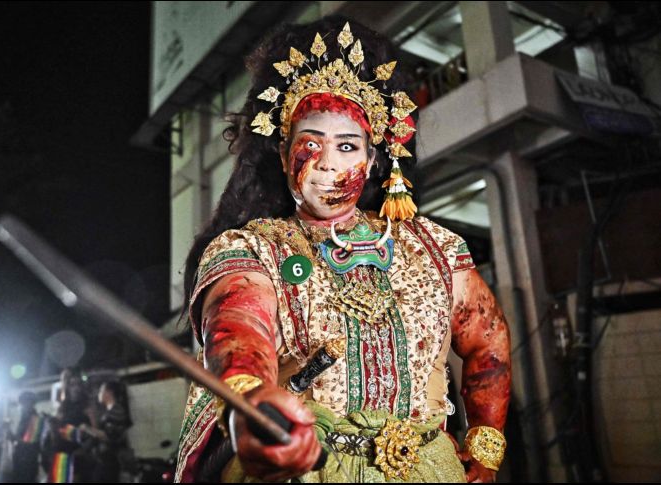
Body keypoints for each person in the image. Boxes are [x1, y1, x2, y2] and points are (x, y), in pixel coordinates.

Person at [175, 16, 511, 483]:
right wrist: (251, 402)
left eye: (348, 145)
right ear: (282, 152)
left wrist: (486, 447)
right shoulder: (250, 248)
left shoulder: (435, 246)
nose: (328, 162)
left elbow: (488, 342)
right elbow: (238, 328)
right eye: (309, 143)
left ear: (374, 161)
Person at [41, 368, 96, 483]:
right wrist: (52, 423)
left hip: (77, 456)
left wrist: (84, 449)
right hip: (60, 455)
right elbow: (56, 430)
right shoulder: (63, 407)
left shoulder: (87, 408)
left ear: (82, 388)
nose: (75, 388)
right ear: (68, 387)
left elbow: (95, 433)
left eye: (78, 385)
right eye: (72, 385)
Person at [79, 380, 134, 482]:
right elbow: (99, 432)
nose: (99, 394)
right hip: (104, 459)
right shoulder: (108, 411)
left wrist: (87, 428)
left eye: (101, 391)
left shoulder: (116, 411)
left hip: (111, 460)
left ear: (109, 392)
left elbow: (107, 436)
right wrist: (91, 417)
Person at [6, 391, 42, 483]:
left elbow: (28, 442)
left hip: (28, 462)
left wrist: (14, 438)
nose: (22, 406)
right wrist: (9, 432)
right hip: (19, 460)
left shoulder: (36, 419)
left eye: (24, 403)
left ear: (31, 404)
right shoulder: (23, 419)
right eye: (21, 403)